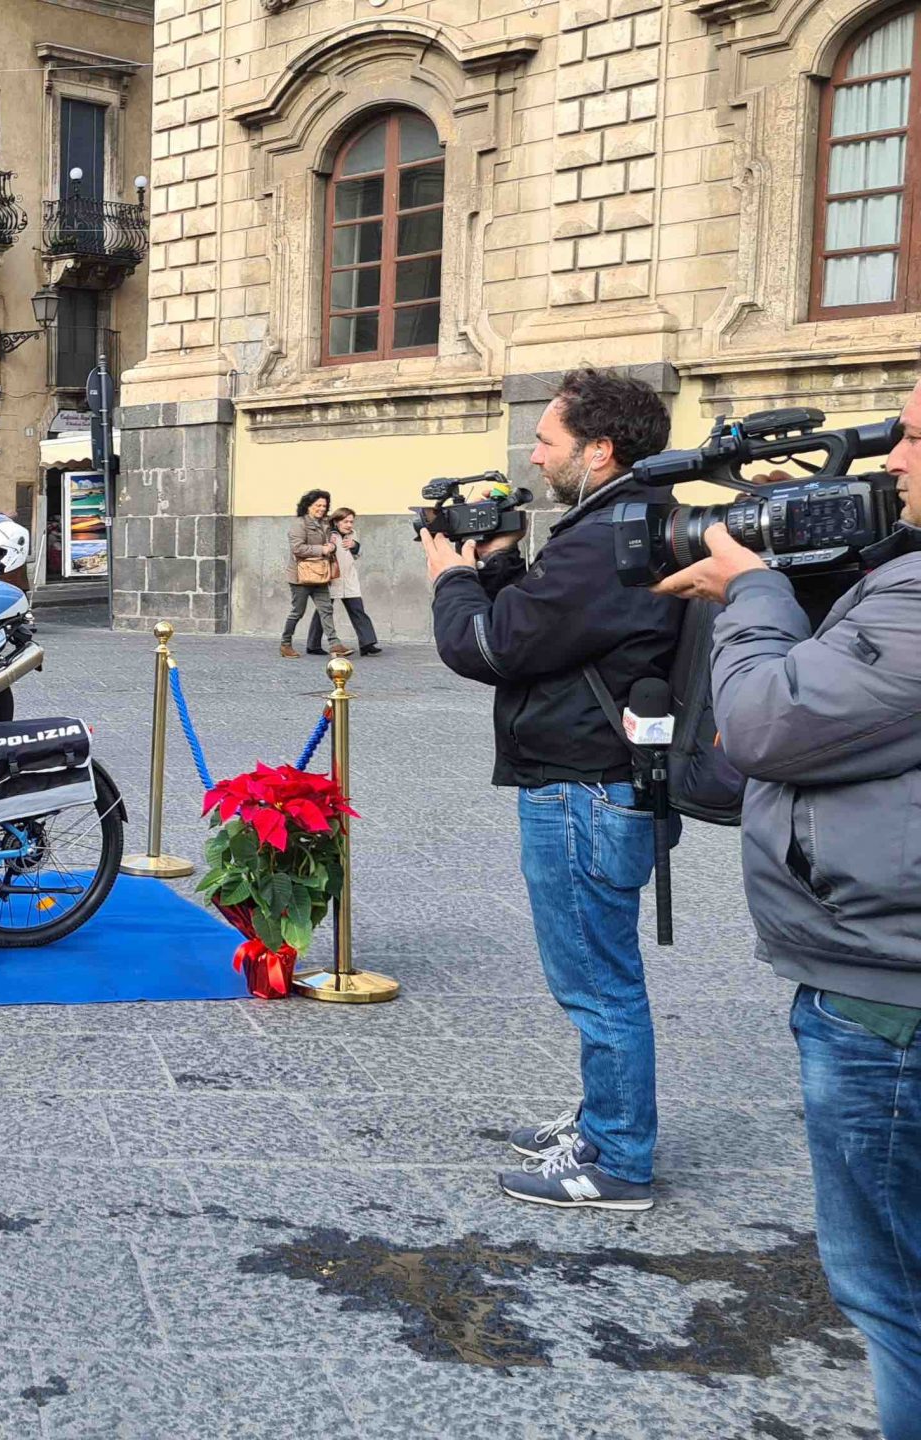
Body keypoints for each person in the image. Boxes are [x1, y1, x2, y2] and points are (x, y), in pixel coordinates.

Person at [651, 375, 921, 1434]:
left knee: (892, 1294)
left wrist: (755, 591)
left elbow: (766, 723)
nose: (894, 458)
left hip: (886, 995)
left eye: (917, 437)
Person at [426, 367, 680, 1209]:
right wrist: (499, 564)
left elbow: (492, 648)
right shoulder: (625, 522)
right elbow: (546, 629)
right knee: (598, 971)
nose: (533, 457)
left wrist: (450, 578)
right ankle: (602, 1120)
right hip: (596, 779)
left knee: (598, 981)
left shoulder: (610, 536)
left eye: (547, 440)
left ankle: (617, 1160)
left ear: (599, 450)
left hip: (584, 787)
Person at [302, 507, 382, 657]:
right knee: (323, 612)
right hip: (329, 578)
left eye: (351, 522)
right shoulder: (327, 534)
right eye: (346, 521)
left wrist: (354, 546)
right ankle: (313, 645)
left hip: (349, 579)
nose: (349, 525)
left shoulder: (352, 535)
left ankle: (367, 644)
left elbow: (358, 555)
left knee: (358, 610)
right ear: (337, 521)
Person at [282, 489, 342, 658]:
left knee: (326, 609)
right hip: (300, 576)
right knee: (297, 612)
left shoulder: (325, 524)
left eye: (324, 505)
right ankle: (285, 643)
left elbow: (330, 544)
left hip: (320, 574)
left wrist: (332, 547)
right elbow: (297, 548)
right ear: (308, 506)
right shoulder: (299, 524)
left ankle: (335, 644)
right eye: (318, 505)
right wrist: (322, 549)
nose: (322, 508)